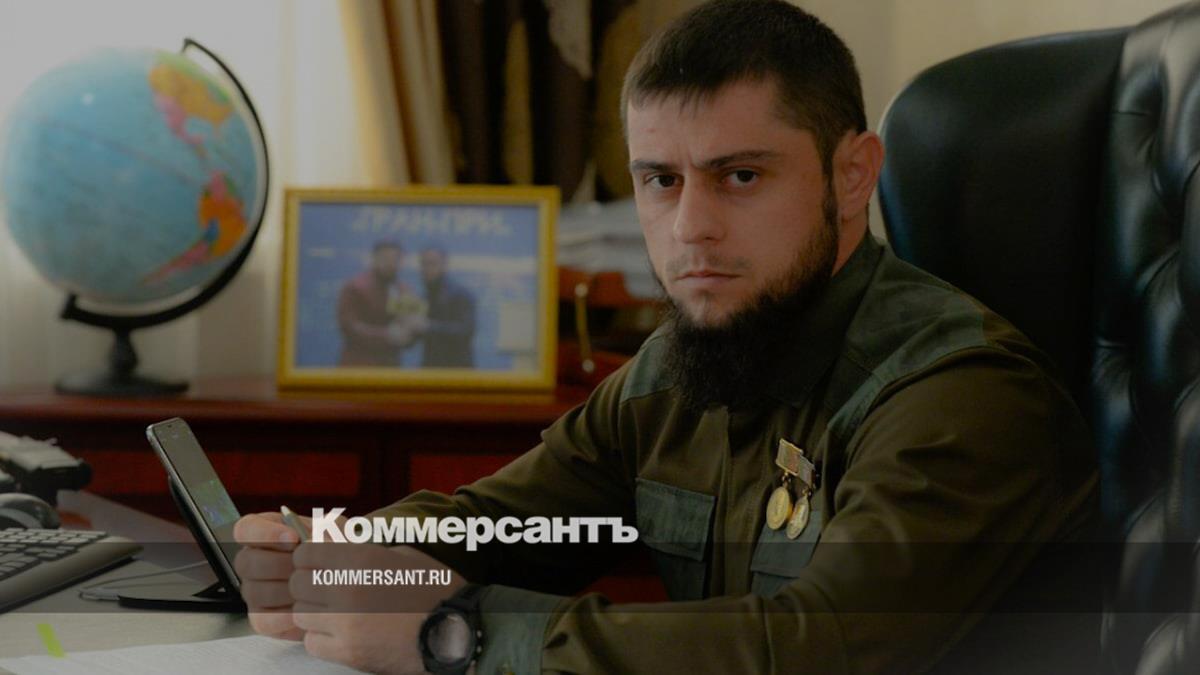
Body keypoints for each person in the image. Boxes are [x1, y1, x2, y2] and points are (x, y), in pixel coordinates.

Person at [234, 1, 1097, 673]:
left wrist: (455, 631)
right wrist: (339, 561)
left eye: (741, 176)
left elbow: (820, 646)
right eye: (659, 180)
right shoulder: (685, 363)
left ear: (851, 174)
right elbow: (508, 527)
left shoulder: (964, 393)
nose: (690, 229)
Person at [336, 240, 419, 366]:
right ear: (374, 259)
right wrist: (387, 335)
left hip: (391, 367)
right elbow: (349, 327)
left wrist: (414, 330)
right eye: (386, 258)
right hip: (359, 367)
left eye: (395, 259)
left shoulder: (404, 290)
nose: (391, 263)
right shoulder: (354, 287)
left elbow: (410, 334)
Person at [415, 246, 476, 368]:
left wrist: (428, 327)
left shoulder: (461, 295)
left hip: (457, 370)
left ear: (444, 265)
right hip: (431, 369)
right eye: (424, 264)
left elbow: (467, 331)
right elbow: (418, 333)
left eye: (432, 263)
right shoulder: (424, 296)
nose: (427, 269)